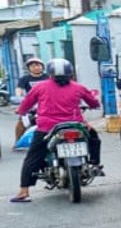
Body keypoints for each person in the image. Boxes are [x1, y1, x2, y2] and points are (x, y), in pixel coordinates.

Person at [12, 59, 102, 204]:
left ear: (50, 72)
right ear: (70, 72)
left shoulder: (40, 87)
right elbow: (93, 102)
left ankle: (24, 191)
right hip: (76, 125)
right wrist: (94, 105)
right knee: (94, 138)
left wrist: (20, 110)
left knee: (33, 157)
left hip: (47, 127)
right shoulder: (78, 87)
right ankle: (95, 163)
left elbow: (26, 104)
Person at [14, 56, 48, 143]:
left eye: (38, 65)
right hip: (31, 104)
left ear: (42, 67)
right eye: (32, 66)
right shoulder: (25, 79)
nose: (36, 67)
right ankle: (18, 141)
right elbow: (19, 89)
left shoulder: (48, 77)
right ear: (29, 68)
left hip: (47, 103)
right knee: (21, 122)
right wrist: (19, 97)